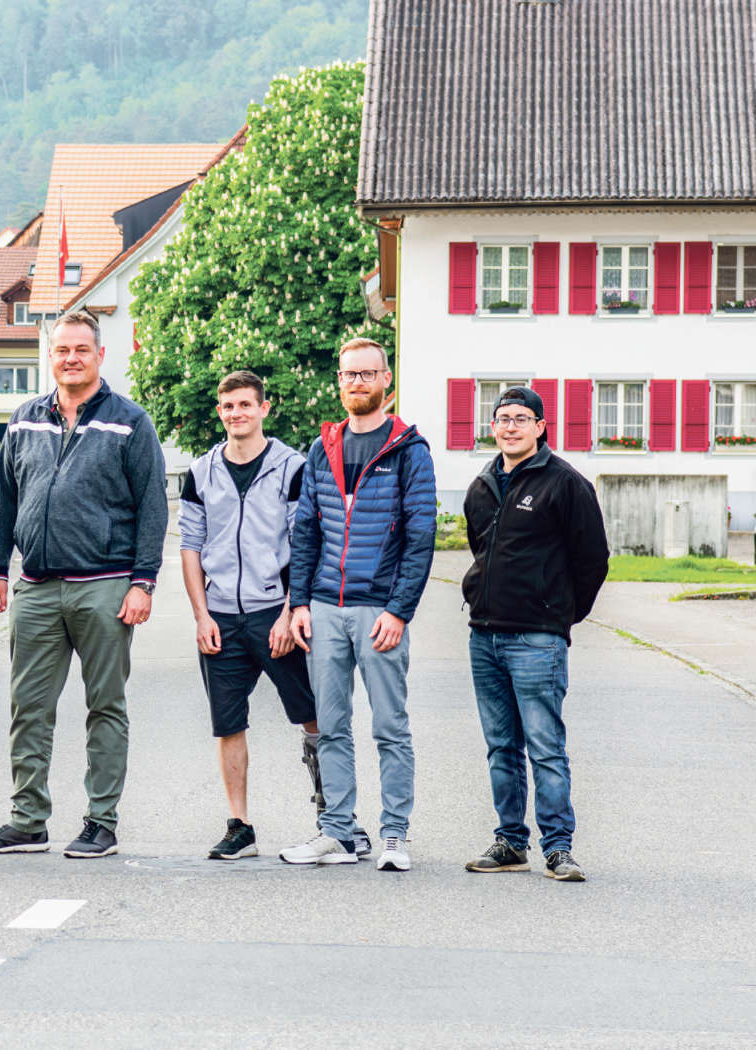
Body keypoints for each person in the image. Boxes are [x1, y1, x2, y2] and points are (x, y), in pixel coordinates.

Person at [0, 309, 168, 859]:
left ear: (99, 355)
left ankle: (101, 821)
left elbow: (153, 507)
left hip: (105, 586)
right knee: (27, 707)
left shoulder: (130, 421)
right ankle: (27, 820)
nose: (71, 358)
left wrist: (143, 582)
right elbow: (7, 500)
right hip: (35, 587)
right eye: (62, 350)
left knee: (105, 706)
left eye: (81, 349)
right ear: (50, 356)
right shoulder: (23, 420)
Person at [280, 338, 435, 871]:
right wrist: (300, 602)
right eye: (350, 375)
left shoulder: (409, 450)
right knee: (331, 727)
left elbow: (420, 535)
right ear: (339, 382)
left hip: (379, 611)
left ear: (386, 380)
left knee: (390, 727)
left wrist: (399, 610)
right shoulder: (321, 447)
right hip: (324, 609)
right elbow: (306, 531)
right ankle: (339, 834)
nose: (358, 383)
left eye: (368, 374)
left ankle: (394, 836)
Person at [461, 385, 607, 883]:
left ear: (540, 426)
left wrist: (560, 615)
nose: (511, 427)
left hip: (537, 639)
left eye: (521, 418)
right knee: (501, 747)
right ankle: (510, 842)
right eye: (503, 418)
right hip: (485, 636)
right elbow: (482, 549)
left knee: (545, 747)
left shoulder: (565, 483)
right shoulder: (482, 485)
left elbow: (593, 560)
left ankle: (559, 848)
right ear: (493, 426)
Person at [178, 370, 322, 860]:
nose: (236, 413)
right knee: (228, 724)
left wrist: (289, 612)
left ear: (264, 409)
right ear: (219, 412)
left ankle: (333, 818)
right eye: (228, 406)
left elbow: (304, 543)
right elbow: (191, 546)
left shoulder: (292, 467)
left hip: (274, 613)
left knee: (313, 715)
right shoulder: (201, 472)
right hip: (221, 616)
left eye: (245, 404)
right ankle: (240, 826)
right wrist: (201, 616)